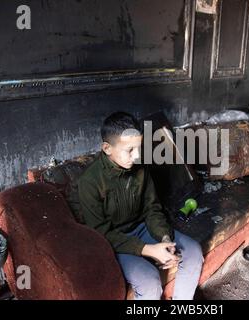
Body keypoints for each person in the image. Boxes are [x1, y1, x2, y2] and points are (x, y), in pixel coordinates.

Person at [78, 112, 204, 300]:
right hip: (113, 242)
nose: (137, 156)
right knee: (149, 281)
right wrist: (148, 250)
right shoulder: (90, 182)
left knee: (193, 252)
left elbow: (152, 208)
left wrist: (164, 238)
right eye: (130, 150)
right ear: (107, 148)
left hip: (142, 229)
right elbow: (100, 235)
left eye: (139, 148)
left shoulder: (140, 169)